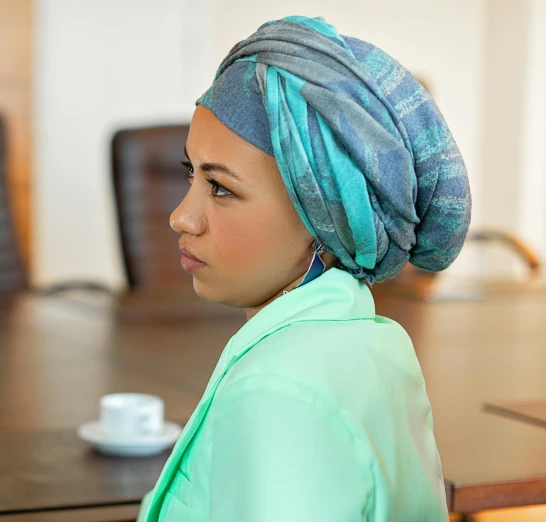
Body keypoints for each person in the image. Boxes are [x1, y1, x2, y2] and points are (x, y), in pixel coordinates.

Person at [137, 15, 471, 522]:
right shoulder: (376, 341)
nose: (180, 216)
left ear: (324, 217)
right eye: (191, 175)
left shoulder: (277, 391)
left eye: (221, 188)